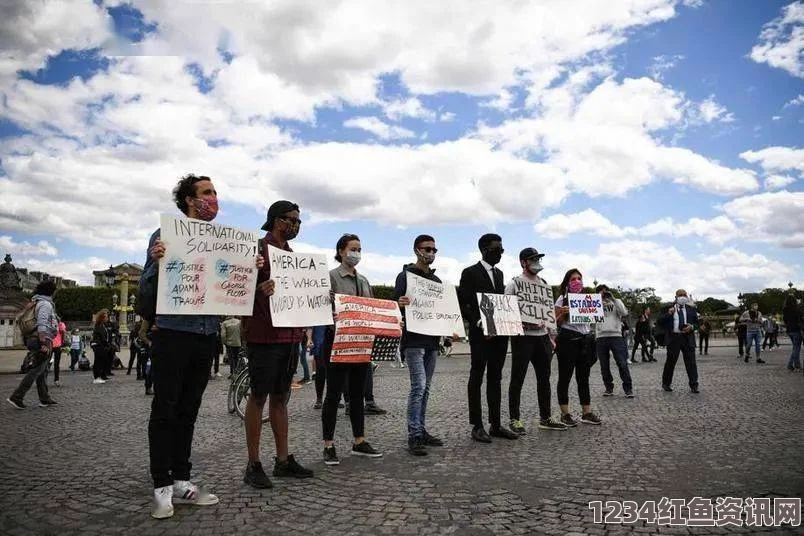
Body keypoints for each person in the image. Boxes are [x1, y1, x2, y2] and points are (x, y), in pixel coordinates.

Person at [144, 174, 232, 518]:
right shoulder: (166, 234)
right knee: (165, 409)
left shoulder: (221, 239)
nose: (214, 198)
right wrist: (155, 261)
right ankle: (161, 486)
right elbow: (148, 291)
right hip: (172, 331)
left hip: (206, 332)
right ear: (190, 200)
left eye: (215, 192)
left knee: (189, 410)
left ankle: (182, 480)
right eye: (207, 192)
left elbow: (228, 283)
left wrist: (250, 271)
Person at [241, 200, 314, 489]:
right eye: (289, 219)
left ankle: (282, 460)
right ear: (273, 220)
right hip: (263, 335)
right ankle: (253, 463)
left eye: (298, 220)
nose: (294, 225)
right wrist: (259, 288)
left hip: (290, 336)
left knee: (281, 396)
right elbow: (234, 290)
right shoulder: (257, 249)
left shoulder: (291, 255)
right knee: (258, 396)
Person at [321, 234, 384, 465]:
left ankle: (359, 441)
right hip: (337, 341)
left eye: (359, 249)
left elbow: (372, 310)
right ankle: (328, 445)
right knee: (334, 393)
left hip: (361, 343)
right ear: (340, 251)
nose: (356, 253)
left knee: (357, 393)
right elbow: (321, 308)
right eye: (352, 249)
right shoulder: (330, 277)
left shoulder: (364, 281)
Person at [458, 233, 518, 442]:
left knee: (496, 378)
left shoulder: (500, 274)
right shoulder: (470, 272)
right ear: (484, 249)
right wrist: (477, 321)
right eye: (496, 249)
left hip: (499, 334)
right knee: (477, 376)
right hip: (480, 334)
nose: (500, 253)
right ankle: (477, 425)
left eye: (501, 250)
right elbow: (464, 302)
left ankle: (495, 424)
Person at [393, 234, 449, 456]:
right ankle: (414, 434)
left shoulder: (436, 282)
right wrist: (400, 303)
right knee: (418, 386)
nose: (431, 253)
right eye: (427, 249)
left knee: (425, 388)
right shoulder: (404, 276)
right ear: (417, 250)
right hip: (413, 341)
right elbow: (394, 305)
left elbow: (442, 312)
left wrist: (448, 331)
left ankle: (421, 429)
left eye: (434, 250)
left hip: (431, 340)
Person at [504, 248, 566, 434]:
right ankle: (515, 419)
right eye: (533, 259)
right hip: (523, 337)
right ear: (523, 262)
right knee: (517, 379)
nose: (536, 261)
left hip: (542, 338)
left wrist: (552, 337)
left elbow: (548, 314)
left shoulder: (544, 284)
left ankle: (545, 417)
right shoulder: (514, 283)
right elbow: (507, 308)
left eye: (538, 258)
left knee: (544, 379)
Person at [553, 269, 601, 426]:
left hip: (585, 340)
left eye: (579, 278)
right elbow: (554, 322)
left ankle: (586, 412)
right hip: (568, 340)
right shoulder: (562, 299)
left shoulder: (587, 298)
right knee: (565, 377)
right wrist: (563, 313)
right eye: (573, 279)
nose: (577, 281)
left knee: (583, 378)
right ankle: (565, 414)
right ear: (567, 282)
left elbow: (593, 318)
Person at [7, 279, 58, 409]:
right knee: (37, 369)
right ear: (51, 291)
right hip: (41, 338)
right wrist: (44, 342)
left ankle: (44, 398)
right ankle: (17, 396)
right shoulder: (45, 304)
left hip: (35, 338)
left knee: (43, 369)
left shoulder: (36, 302)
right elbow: (42, 323)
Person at [594, 284, 633, 398]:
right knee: (604, 365)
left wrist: (613, 299)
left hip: (616, 336)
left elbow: (624, 312)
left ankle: (628, 388)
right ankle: (608, 388)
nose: (603, 294)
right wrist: (598, 302)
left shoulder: (617, 302)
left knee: (622, 363)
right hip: (601, 336)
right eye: (601, 292)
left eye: (605, 292)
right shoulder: (594, 304)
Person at [659, 289, 700, 393]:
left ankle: (694, 385)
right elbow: (659, 321)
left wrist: (692, 327)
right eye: (680, 295)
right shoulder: (668, 308)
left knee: (691, 362)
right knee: (671, 362)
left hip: (688, 337)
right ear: (676, 297)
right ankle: (666, 384)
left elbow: (697, 324)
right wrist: (669, 314)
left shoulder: (691, 309)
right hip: (674, 338)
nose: (682, 297)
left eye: (684, 295)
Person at [90, 309, 113, 384]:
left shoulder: (102, 325)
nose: (107, 318)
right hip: (99, 346)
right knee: (98, 362)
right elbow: (101, 337)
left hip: (102, 345)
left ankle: (101, 375)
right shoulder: (98, 325)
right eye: (105, 317)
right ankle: (96, 377)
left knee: (102, 361)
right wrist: (107, 344)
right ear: (102, 318)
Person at [782, 295, 802, 371]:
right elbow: (799, 320)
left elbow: (785, 321)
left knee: (795, 348)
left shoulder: (785, 310)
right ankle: (792, 365)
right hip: (796, 330)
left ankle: (796, 365)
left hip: (789, 330)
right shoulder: (797, 309)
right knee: (796, 349)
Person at [50, 320, 67, 386]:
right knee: (56, 364)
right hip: (57, 345)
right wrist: (62, 342)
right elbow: (63, 332)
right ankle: (56, 380)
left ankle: (44, 379)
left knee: (47, 363)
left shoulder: (48, 322)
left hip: (50, 345)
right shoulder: (60, 323)